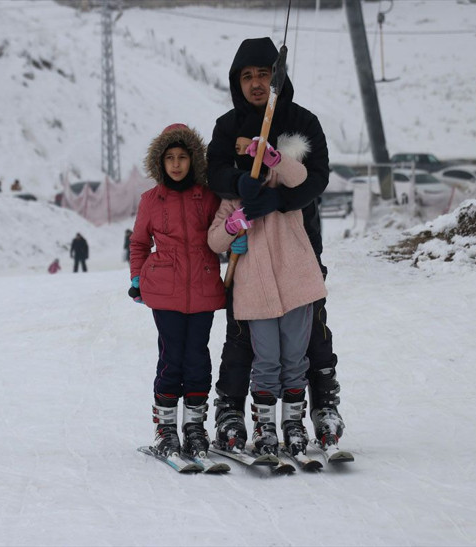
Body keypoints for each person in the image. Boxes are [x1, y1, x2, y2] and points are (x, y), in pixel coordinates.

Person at [206, 36, 345, 451]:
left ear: (277, 78)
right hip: (247, 250)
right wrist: (240, 185)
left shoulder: (304, 121)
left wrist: (279, 201)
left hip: (298, 242)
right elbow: (213, 171)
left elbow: (317, 176)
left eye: (263, 74)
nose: (255, 83)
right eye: (247, 76)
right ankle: (231, 408)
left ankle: (323, 405)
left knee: (310, 329)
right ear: (237, 82)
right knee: (243, 329)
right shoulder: (227, 126)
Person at [207, 135, 327, 457]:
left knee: (295, 360)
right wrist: (232, 227)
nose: (254, 163)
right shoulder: (234, 198)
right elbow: (214, 241)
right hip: (255, 291)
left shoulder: (285, 186)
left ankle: (293, 424)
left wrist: (275, 159)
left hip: (296, 285)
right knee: (267, 360)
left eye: (258, 155)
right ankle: (265, 425)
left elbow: (301, 177)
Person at [129, 123, 226, 458]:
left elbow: (219, 235)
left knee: (198, 359)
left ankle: (195, 429)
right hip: (165, 291)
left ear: (192, 159)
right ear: (160, 162)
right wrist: (136, 278)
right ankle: (166, 431)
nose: (176, 164)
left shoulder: (209, 196)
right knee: (172, 359)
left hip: (202, 288)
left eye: (182, 157)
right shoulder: (150, 200)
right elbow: (140, 243)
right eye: (169, 157)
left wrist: (233, 235)